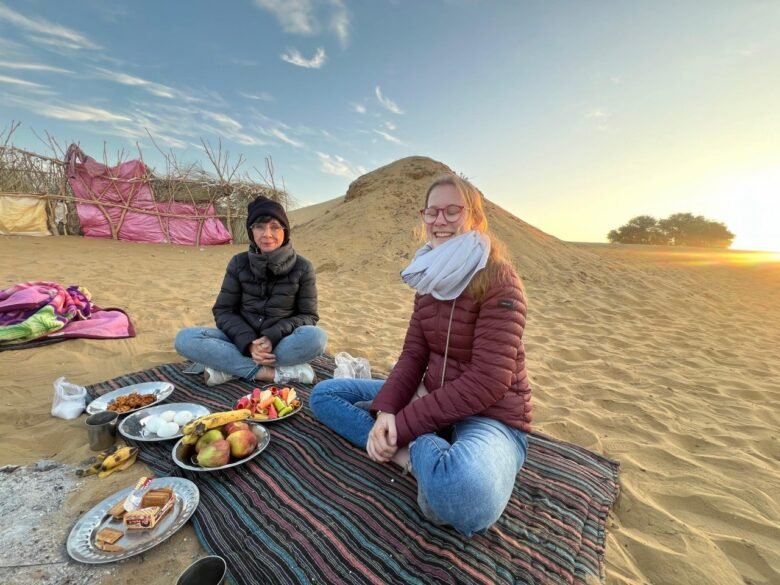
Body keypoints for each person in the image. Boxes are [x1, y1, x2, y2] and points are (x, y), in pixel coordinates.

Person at [310, 174, 532, 536]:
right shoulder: (427, 278)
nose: (440, 220)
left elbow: (490, 380)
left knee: (466, 496)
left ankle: (409, 454)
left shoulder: (498, 278)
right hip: (430, 399)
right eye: (432, 212)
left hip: (490, 415)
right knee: (324, 394)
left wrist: (403, 426)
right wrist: (386, 412)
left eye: (452, 210)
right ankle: (417, 456)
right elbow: (413, 354)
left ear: (475, 217)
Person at [175, 195, 327, 386]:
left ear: (285, 231)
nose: (267, 234)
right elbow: (224, 311)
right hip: (239, 342)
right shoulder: (239, 262)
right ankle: (272, 374)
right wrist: (248, 343)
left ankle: (230, 369)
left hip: (280, 343)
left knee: (316, 337)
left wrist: (272, 336)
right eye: (259, 227)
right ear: (251, 231)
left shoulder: (303, 267)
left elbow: (308, 316)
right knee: (186, 339)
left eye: (274, 227)